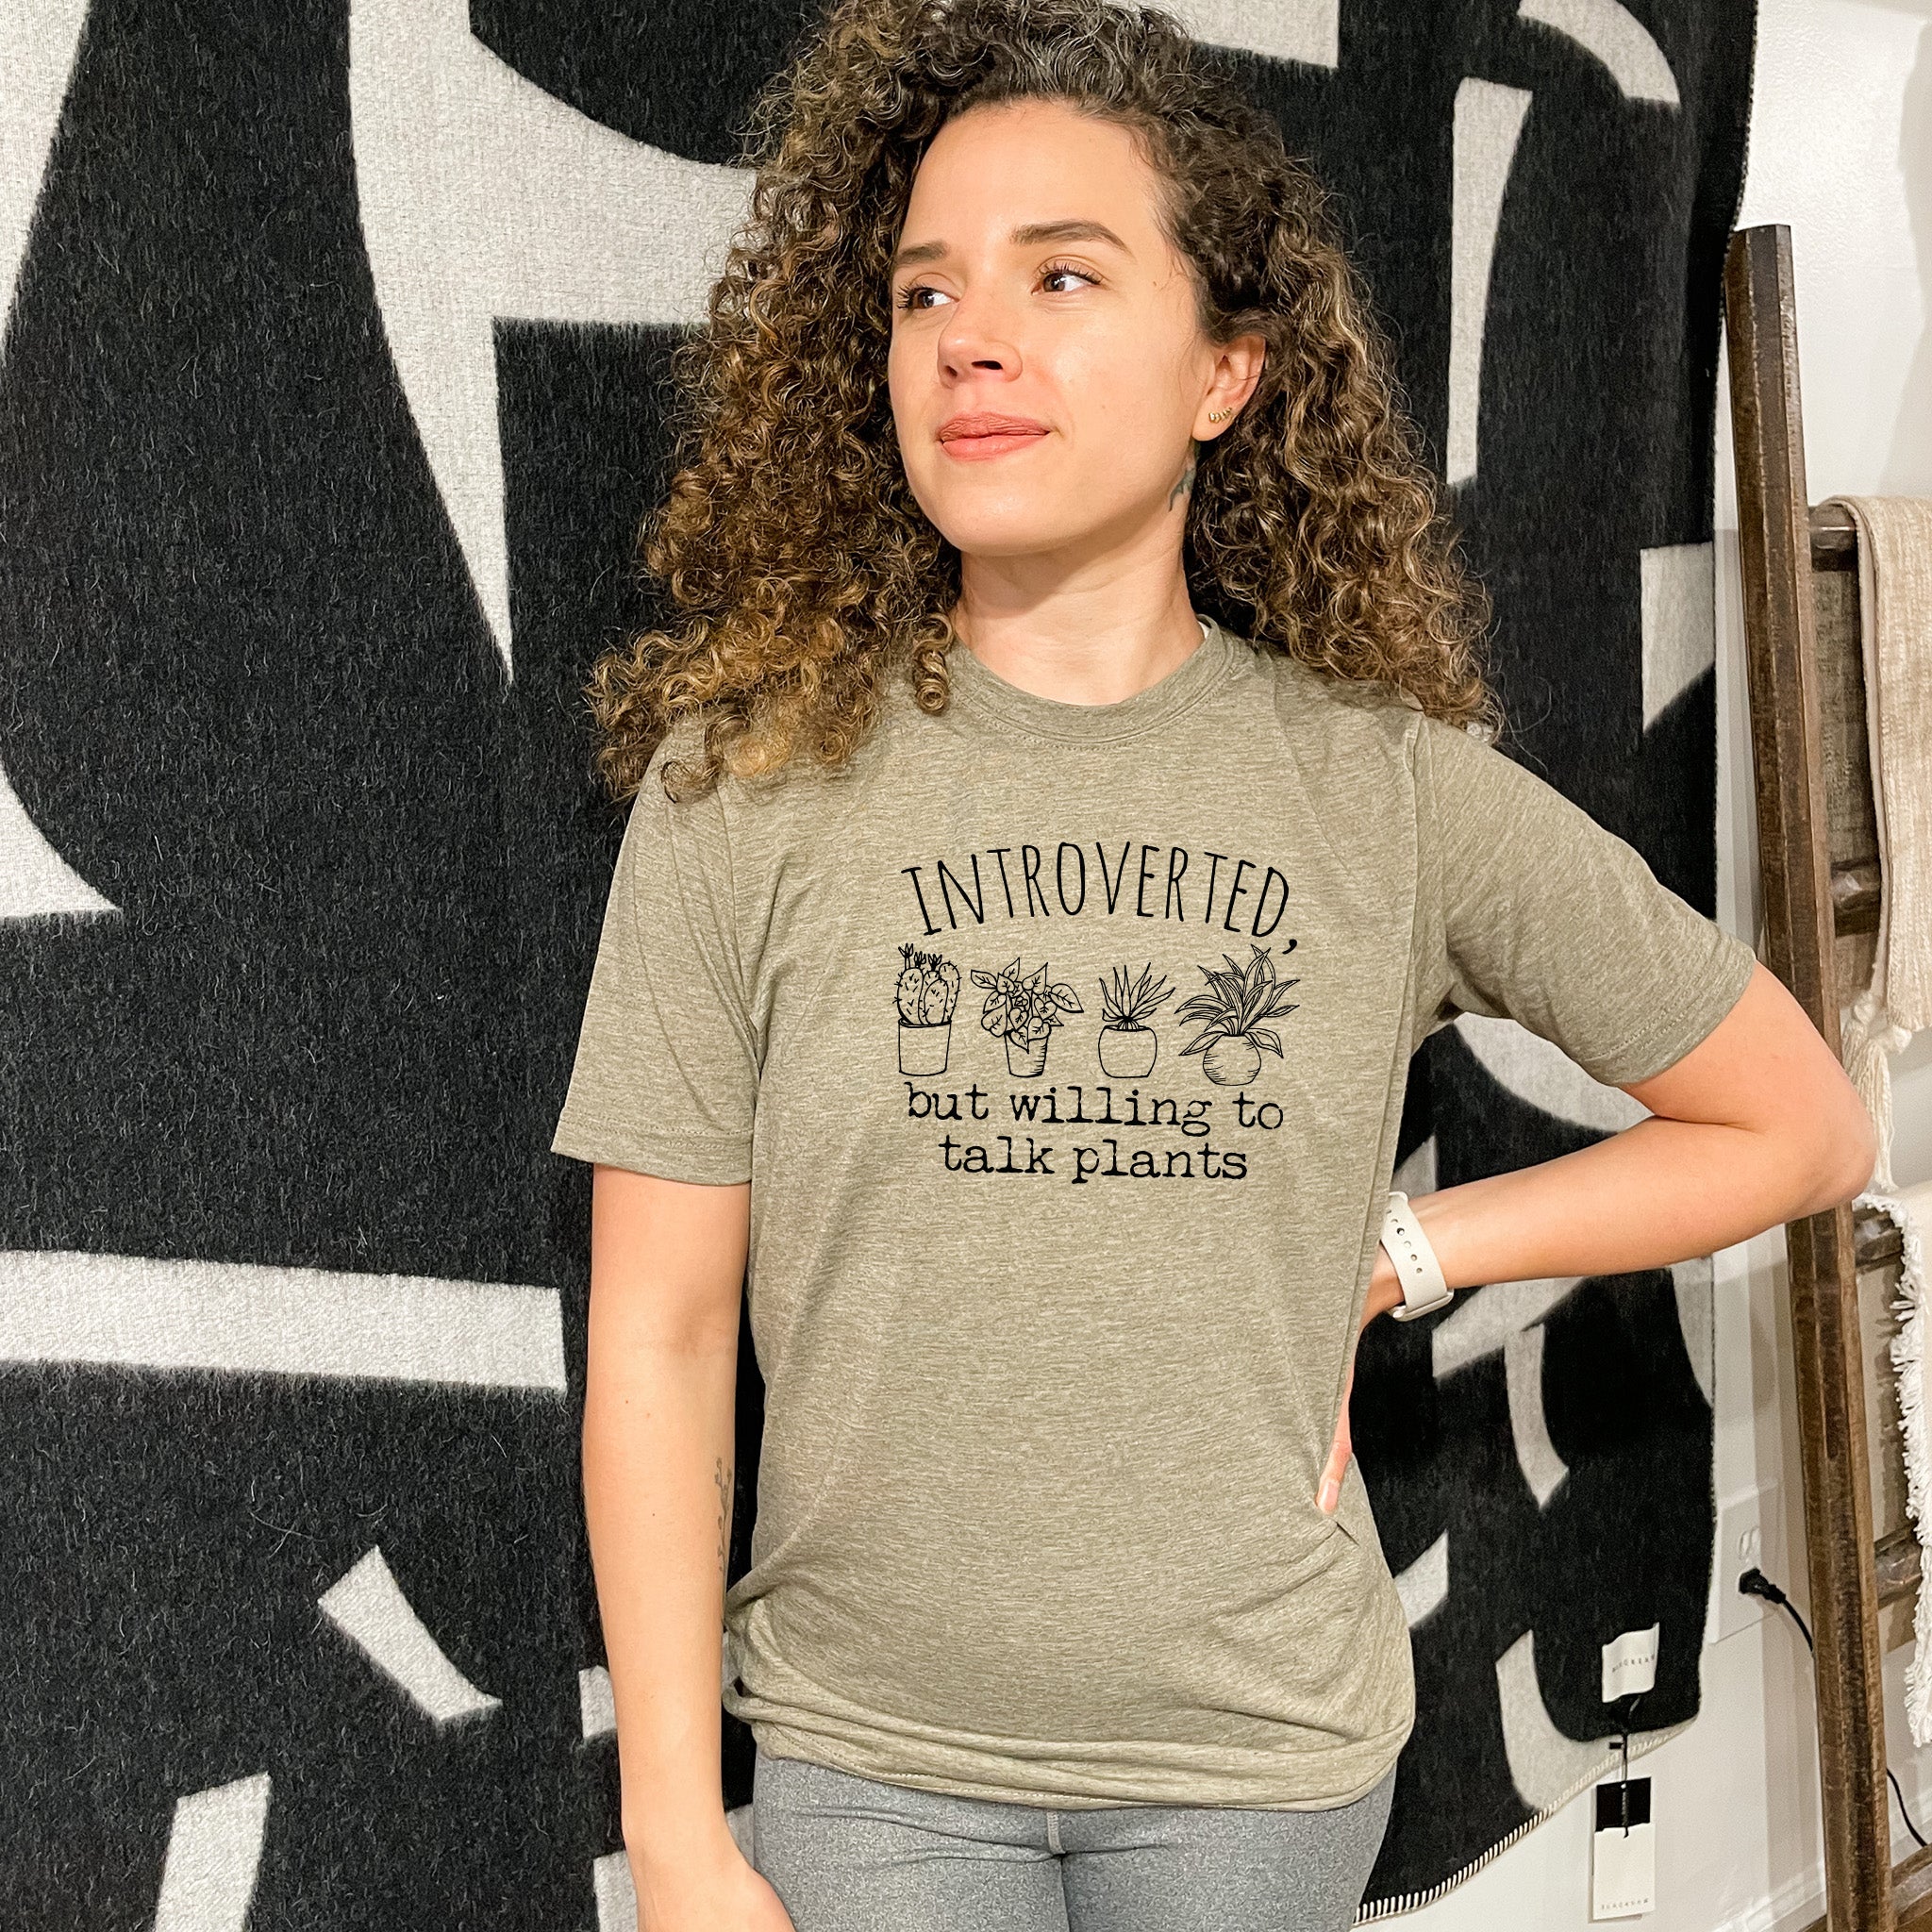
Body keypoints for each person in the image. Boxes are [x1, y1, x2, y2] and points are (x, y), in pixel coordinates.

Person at [548, 2, 1876, 1927]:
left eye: (1061, 274)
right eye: (923, 294)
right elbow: (657, 1335)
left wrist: (1414, 1255)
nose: (970, 340)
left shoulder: (1383, 793)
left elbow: (1802, 1121)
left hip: (1258, 1768)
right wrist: (676, 1826)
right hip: (873, 1770)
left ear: (1226, 369)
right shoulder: (744, 782)